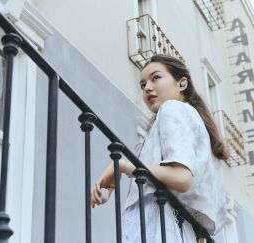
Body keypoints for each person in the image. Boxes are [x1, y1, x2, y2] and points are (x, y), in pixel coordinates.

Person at [91, 54, 230, 242]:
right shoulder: (191, 121)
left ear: (182, 83)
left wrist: (124, 167)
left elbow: (181, 178)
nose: (148, 87)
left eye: (156, 78)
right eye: (142, 84)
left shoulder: (172, 108)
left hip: (160, 227)